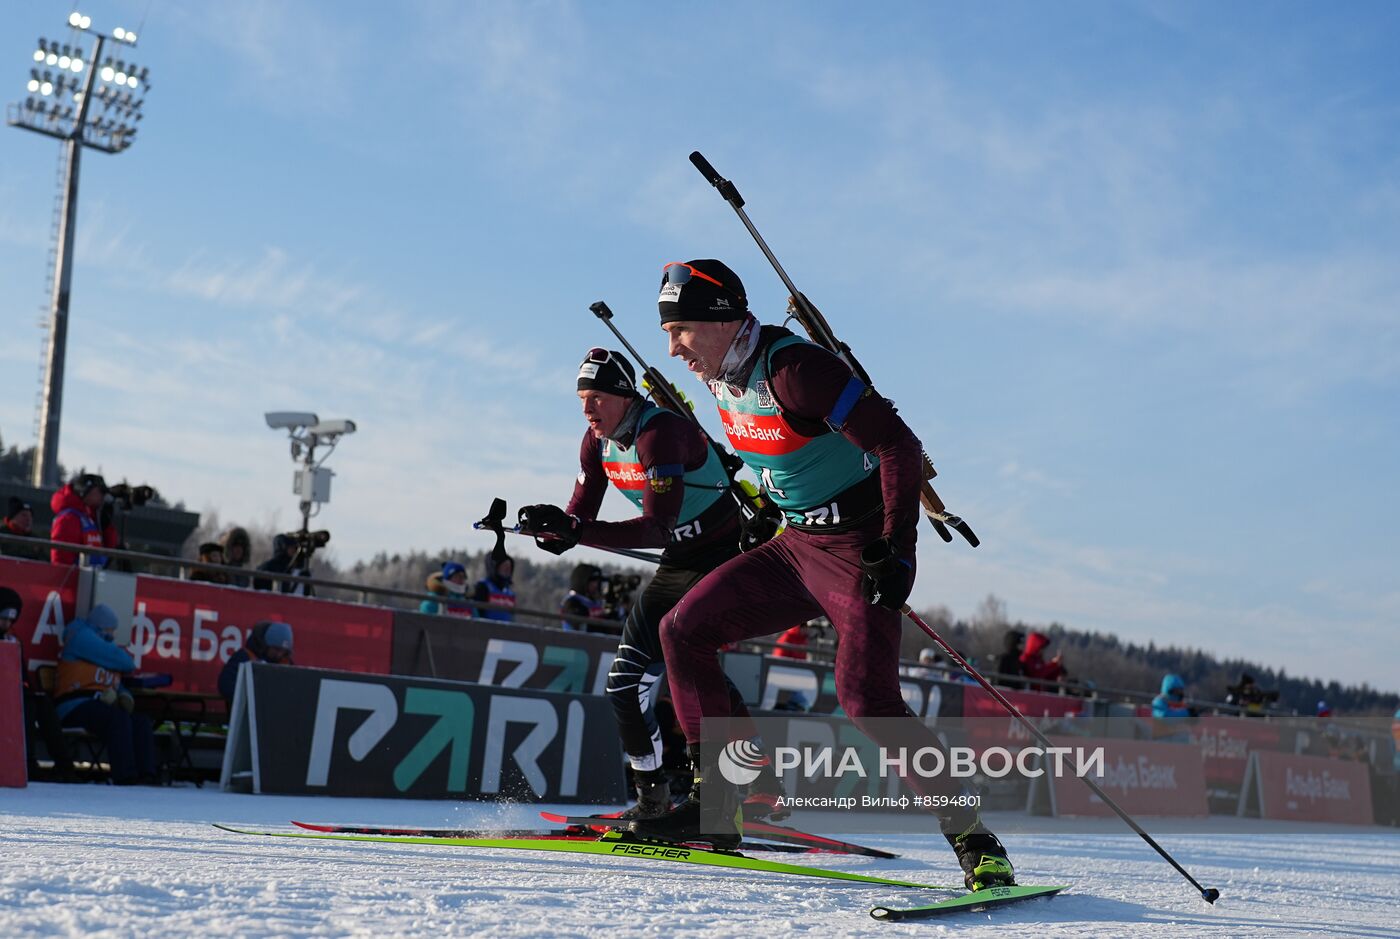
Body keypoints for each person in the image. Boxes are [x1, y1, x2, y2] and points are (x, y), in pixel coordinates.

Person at [631, 259, 1014, 892]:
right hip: (797, 544)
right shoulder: (719, 375)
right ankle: (717, 807)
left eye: (683, 331)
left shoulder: (794, 369)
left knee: (867, 701)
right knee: (683, 630)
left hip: (859, 547)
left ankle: (975, 839)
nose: (672, 348)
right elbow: (772, 455)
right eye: (667, 332)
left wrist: (899, 550)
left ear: (724, 321)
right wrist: (770, 513)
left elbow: (897, 446)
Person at [517, 346, 761, 820]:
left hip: (721, 554)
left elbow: (655, 528)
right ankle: (654, 797)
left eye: (597, 399)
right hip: (680, 560)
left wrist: (575, 532)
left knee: (687, 661)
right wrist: (549, 525)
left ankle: (730, 788)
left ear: (625, 396)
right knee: (623, 686)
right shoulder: (596, 441)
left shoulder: (659, 432)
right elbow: (579, 517)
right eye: (582, 399)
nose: (587, 410)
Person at [54, 604, 157, 784]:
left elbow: (114, 679)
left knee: (142, 722)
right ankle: (125, 776)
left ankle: (147, 776)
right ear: (101, 627)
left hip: (99, 705)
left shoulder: (104, 648)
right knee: (117, 719)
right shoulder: (81, 637)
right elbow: (126, 662)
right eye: (111, 629)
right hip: (74, 704)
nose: (113, 635)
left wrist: (125, 696)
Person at [1, 586, 75, 780]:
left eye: (10, 620)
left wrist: (26, 689)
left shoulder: (12, 640)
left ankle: (65, 766)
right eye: (3, 619)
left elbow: (22, 676)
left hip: (10, 694)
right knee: (27, 704)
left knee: (41, 702)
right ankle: (28, 763)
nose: (6, 624)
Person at [218, 621, 294, 711]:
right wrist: (254, 696)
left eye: (283, 651)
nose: (279, 654)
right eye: (276, 649)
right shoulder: (244, 657)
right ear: (265, 644)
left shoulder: (286, 663)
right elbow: (225, 684)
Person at [49, 473, 118, 567]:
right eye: (100, 491)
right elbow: (61, 560)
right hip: (77, 578)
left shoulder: (88, 517)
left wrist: (106, 524)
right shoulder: (69, 518)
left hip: (92, 577)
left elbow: (107, 550)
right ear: (86, 491)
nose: (102, 496)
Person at [472, 551, 516, 622]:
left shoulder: (509, 593)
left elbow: (512, 616)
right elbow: (477, 613)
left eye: (509, 567)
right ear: (495, 567)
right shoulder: (483, 587)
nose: (507, 570)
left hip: (506, 630)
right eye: (504, 566)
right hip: (487, 629)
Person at [560, 563, 606, 630]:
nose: (595, 585)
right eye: (592, 581)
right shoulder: (572, 601)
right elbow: (578, 622)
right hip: (576, 638)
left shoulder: (596, 602)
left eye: (597, 582)